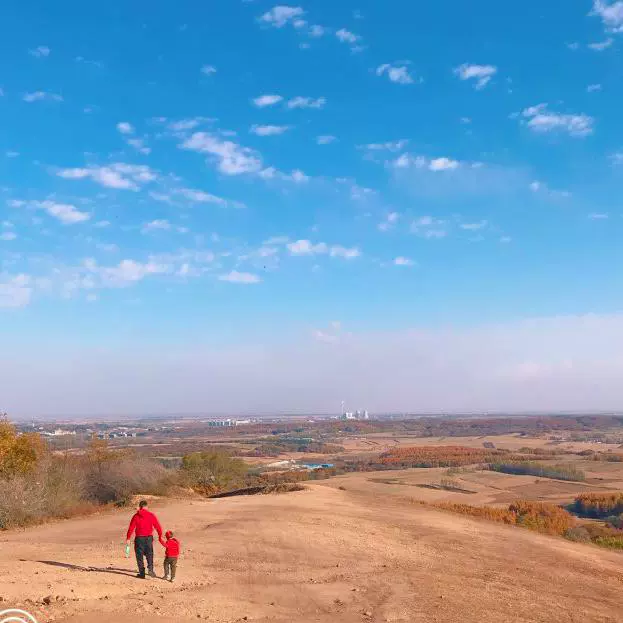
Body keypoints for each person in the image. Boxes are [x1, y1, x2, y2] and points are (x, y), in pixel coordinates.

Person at [126, 499, 163, 579]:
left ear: (140, 506)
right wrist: (160, 535)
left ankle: (142, 573)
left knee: (139, 556)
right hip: (149, 538)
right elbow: (158, 526)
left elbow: (131, 528)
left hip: (139, 538)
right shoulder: (151, 515)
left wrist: (128, 538)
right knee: (149, 554)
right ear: (146, 506)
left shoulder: (136, 516)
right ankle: (151, 570)